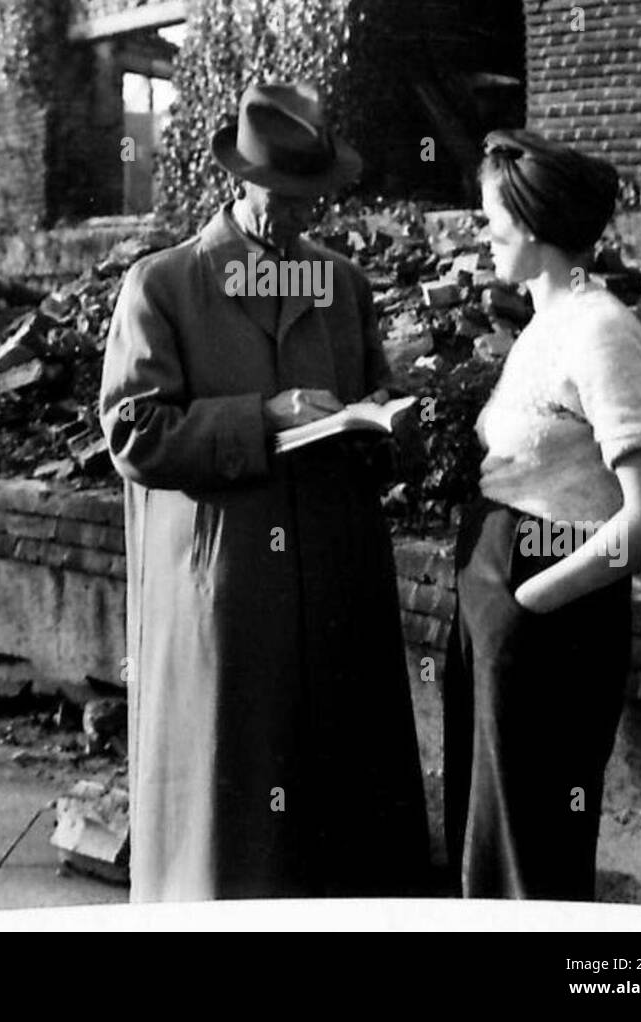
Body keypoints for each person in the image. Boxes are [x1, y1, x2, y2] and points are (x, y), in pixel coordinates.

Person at [100, 80, 429, 902]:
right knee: (235, 814)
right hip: (228, 591)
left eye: (311, 202)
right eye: (282, 199)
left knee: (340, 819)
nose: (297, 218)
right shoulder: (163, 286)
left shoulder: (342, 285)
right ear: (237, 181)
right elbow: (135, 434)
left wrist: (387, 429)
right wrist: (263, 418)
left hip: (334, 584)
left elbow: (371, 397)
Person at [442, 128, 641, 901]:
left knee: (532, 842)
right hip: (498, 587)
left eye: (491, 222)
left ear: (535, 227)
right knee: (486, 831)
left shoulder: (602, 331)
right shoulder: (545, 325)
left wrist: (528, 601)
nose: (483, 235)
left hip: (551, 599)